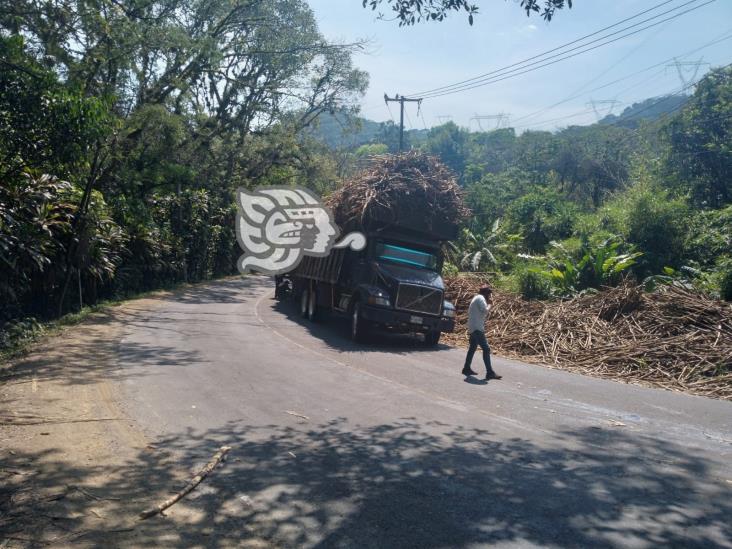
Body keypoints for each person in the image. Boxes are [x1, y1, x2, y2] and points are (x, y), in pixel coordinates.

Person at [462, 286, 502, 380]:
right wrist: (490, 305)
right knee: (486, 349)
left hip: (473, 327)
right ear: (486, 293)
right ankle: (490, 372)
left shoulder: (477, 298)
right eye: (489, 294)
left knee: (472, 347)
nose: (489, 296)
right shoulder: (481, 298)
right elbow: (484, 310)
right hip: (477, 328)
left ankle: (466, 368)